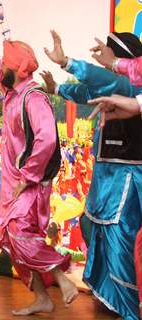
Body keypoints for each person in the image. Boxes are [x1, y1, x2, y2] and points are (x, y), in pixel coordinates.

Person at [0, 29, 77, 316]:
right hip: (13, 185)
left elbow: (47, 139)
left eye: (7, 63)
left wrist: (27, 177)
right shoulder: (11, 90)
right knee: (13, 241)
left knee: (21, 233)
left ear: (17, 69)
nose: (1, 68)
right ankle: (42, 297)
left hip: (29, 184)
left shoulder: (33, 98)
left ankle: (61, 278)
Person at [43, 30, 142, 320]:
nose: (102, 60)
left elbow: (103, 80)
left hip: (125, 176)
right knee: (94, 226)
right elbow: (87, 92)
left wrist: (68, 63)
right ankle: (110, 295)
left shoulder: (127, 83)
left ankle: (127, 303)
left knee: (118, 234)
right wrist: (57, 89)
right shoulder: (116, 82)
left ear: (121, 57)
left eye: (108, 54)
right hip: (107, 173)